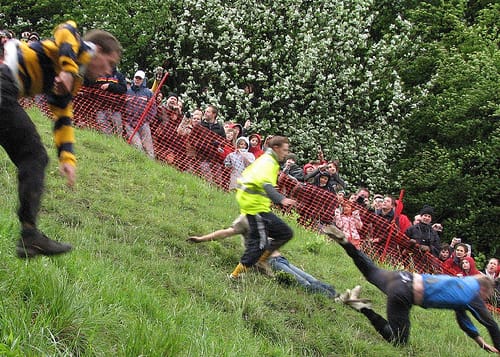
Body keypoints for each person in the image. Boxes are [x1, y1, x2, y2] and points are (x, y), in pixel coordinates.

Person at [0, 21, 122, 258]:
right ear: (97, 50)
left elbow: (63, 115)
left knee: (36, 158)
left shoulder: (75, 79)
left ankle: (30, 234)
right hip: (3, 88)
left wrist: (67, 158)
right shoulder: (79, 48)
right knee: (34, 157)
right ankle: (29, 235)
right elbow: (66, 28)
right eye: (110, 63)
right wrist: (67, 67)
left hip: (7, 93)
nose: (109, 72)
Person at [322, 224, 500, 353]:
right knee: (399, 341)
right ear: (483, 290)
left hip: (402, 277)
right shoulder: (474, 295)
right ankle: (362, 307)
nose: (484, 300)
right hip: (403, 294)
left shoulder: (464, 287)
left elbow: (463, 319)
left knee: (370, 270)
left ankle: (345, 241)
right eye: (486, 296)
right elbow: (492, 326)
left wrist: (480, 341)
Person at [187, 215, 337, 297]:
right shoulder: (244, 220)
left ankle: (337, 297)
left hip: (280, 258)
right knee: (306, 285)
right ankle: (334, 300)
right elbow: (226, 232)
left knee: (313, 280)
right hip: (271, 262)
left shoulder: (266, 215)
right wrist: (202, 239)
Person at [229, 136, 296, 279]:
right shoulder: (268, 163)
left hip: (260, 206)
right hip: (254, 207)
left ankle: (262, 260)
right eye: (284, 150)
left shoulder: (270, 160)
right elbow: (266, 185)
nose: (286, 153)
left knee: (285, 233)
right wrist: (281, 199)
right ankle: (234, 276)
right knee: (260, 244)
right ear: (276, 148)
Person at [84, 66, 127, 135]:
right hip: (100, 108)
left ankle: (118, 143)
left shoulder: (119, 76)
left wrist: (110, 86)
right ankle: (108, 142)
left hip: (115, 109)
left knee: (119, 130)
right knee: (104, 130)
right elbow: (88, 85)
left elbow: (123, 89)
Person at [125, 70, 156, 158]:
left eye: (140, 78)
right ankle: (139, 163)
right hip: (129, 123)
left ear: (143, 80)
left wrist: (147, 120)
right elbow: (121, 106)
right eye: (136, 78)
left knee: (148, 147)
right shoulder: (127, 91)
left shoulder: (148, 92)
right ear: (133, 78)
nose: (137, 80)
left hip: (143, 123)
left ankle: (151, 165)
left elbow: (153, 108)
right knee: (137, 146)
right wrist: (125, 119)